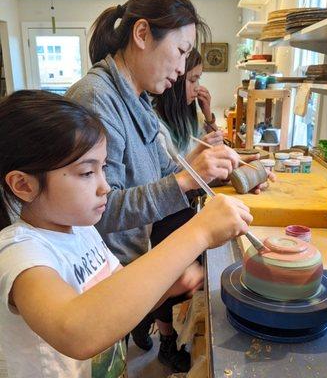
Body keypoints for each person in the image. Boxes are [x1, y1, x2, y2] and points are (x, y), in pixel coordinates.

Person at [0, 90, 252, 378]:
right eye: (86, 173)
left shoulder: (83, 231)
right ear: (23, 185)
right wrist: (199, 231)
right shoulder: (19, 252)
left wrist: (167, 286)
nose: (104, 186)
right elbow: (77, 332)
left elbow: (117, 299)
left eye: (103, 169)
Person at [66, 0, 243, 371]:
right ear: (142, 34)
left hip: (128, 264)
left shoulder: (139, 100)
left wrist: (197, 163)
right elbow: (96, 209)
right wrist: (184, 183)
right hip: (100, 280)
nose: (182, 70)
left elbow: (158, 173)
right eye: (179, 52)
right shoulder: (96, 99)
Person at [154, 48, 223, 162]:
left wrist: (208, 116)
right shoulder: (156, 125)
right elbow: (169, 176)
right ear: (175, 80)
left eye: (198, 79)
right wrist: (199, 151)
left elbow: (219, 149)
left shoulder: (191, 116)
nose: (197, 87)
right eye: (192, 80)